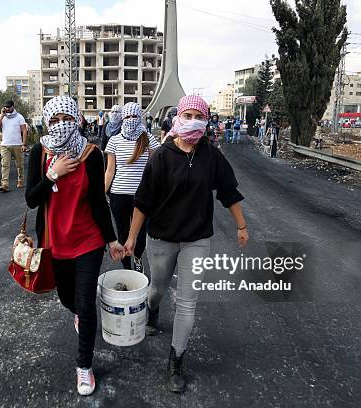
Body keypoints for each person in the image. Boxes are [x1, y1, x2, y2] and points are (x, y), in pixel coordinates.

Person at [124, 95, 249, 393]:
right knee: (158, 288)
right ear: (178, 117)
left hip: (197, 238)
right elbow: (142, 202)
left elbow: (229, 191)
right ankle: (153, 309)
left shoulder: (211, 155)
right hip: (162, 237)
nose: (192, 119)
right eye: (187, 114)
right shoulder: (162, 157)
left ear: (206, 120)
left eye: (198, 115)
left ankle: (176, 359)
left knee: (187, 302)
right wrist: (131, 238)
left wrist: (242, 226)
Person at [25, 96, 126, 396]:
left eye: (66, 119)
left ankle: (84, 366)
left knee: (85, 304)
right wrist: (53, 175)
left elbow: (97, 201)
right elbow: (31, 199)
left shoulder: (91, 154)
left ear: (77, 119)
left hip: (87, 240)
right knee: (67, 298)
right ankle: (80, 314)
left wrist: (111, 239)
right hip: (54, 243)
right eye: (54, 120)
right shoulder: (39, 152)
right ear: (46, 123)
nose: (60, 126)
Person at [104, 102, 160, 272]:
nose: (130, 120)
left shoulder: (147, 138)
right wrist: (100, 193)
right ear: (122, 117)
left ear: (140, 117)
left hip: (141, 196)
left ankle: (137, 258)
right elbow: (110, 171)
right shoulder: (114, 140)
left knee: (141, 234)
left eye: (134, 116)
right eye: (127, 116)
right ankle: (127, 267)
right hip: (118, 194)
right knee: (122, 233)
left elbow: (154, 168)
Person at [0, 100, 27, 193]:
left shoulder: (20, 117)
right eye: (6, 107)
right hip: (5, 145)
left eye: (9, 107)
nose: (7, 109)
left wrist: (24, 144)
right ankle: (5, 185)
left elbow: (24, 130)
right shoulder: (2, 116)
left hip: (17, 145)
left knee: (19, 165)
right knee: (5, 165)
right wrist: (1, 116)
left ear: (13, 107)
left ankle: (20, 180)